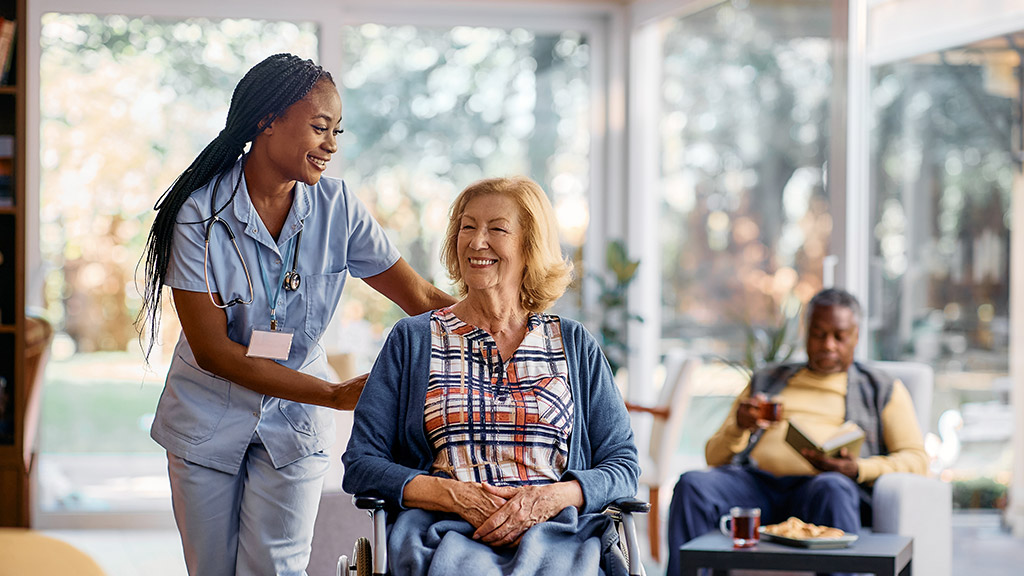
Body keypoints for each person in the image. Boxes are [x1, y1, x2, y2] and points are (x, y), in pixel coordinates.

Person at [136, 54, 456, 576]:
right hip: (208, 417)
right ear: (267, 120)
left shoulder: (338, 207)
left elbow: (418, 296)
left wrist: (501, 321)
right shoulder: (198, 214)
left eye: (337, 130)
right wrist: (333, 395)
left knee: (278, 568)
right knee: (211, 569)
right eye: (319, 127)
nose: (332, 144)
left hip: (294, 424)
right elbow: (216, 352)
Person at [342, 176, 640, 576]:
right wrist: (452, 495)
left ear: (529, 246)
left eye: (497, 229)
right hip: (442, 535)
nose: (477, 241)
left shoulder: (573, 343)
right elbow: (362, 462)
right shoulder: (413, 339)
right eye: (467, 226)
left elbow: (622, 465)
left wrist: (551, 498)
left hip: (557, 536)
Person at [665, 288, 928, 576]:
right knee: (692, 485)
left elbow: (917, 459)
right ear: (806, 332)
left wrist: (857, 469)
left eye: (839, 336)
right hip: (757, 487)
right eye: (818, 334)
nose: (828, 344)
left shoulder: (881, 388)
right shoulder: (768, 378)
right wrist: (739, 427)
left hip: (820, 492)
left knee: (833, 487)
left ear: (856, 335)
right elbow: (713, 457)